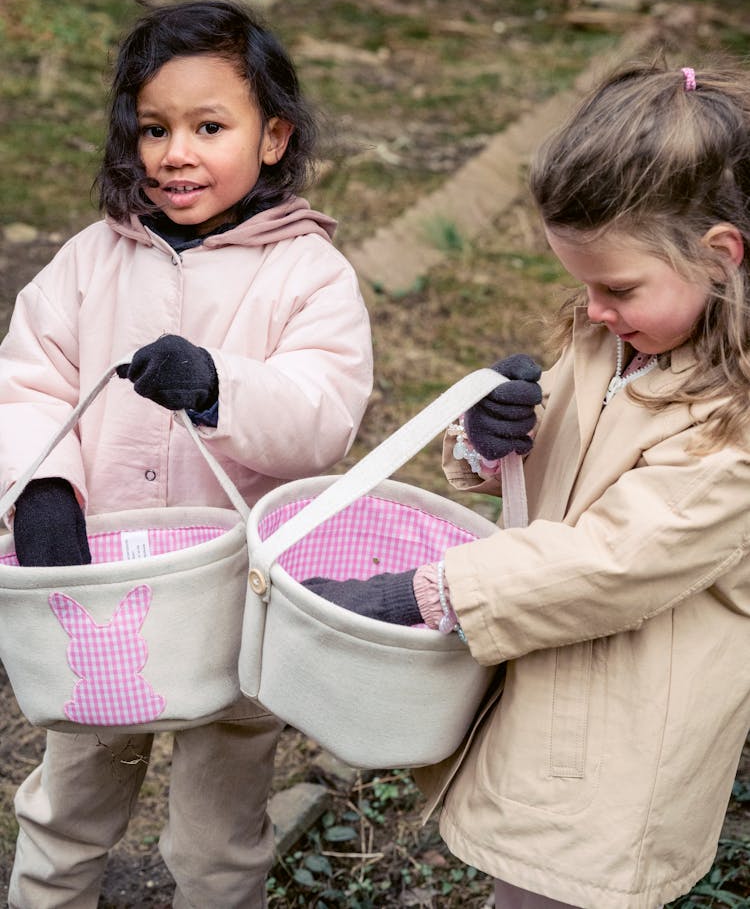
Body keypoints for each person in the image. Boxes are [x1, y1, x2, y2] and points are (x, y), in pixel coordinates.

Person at [304, 62, 750, 909]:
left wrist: (424, 592)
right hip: (556, 695)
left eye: (616, 286)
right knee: (527, 881)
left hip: (625, 739)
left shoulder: (736, 429)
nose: (593, 308)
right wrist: (491, 438)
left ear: (720, 256)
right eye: (581, 283)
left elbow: (613, 560)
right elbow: (562, 465)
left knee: (563, 884)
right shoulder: (617, 340)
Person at [0, 0, 373, 908]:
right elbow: (26, 385)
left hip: (237, 598)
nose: (177, 153)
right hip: (103, 590)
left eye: (211, 126)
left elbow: (322, 410)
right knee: (69, 802)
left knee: (218, 830)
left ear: (274, 137)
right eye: (154, 128)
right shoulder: (93, 261)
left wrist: (218, 388)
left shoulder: (307, 273)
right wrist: (43, 488)